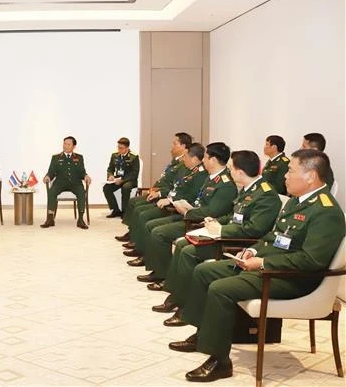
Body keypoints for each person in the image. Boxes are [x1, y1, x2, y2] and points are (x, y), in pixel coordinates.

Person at [173, 149, 344, 382]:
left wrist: (263, 262)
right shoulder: (298, 202)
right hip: (274, 267)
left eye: (291, 170)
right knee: (204, 271)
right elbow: (274, 236)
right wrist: (254, 250)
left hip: (294, 279)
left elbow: (311, 261)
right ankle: (204, 333)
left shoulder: (326, 211)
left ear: (310, 176)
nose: (284, 175)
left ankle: (220, 361)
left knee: (220, 289)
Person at [155, 150, 281, 327]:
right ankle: (177, 297)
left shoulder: (265, 194)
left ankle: (184, 308)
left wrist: (222, 230)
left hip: (239, 244)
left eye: (230, 168)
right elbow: (233, 215)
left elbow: (254, 229)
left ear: (239, 172)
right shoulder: (248, 188)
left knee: (189, 252)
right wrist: (215, 222)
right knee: (184, 244)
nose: (228, 172)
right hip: (228, 235)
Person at [135, 142, 237, 285]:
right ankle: (160, 271)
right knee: (153, 226)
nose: (204, 160)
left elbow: (212, 212)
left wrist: (189, 211)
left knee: (159, 233)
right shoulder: (212, 177)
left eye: (206, 157)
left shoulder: (225, 184)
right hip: (190, 216)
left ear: (213, 160)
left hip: (199, 223)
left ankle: (163, 275)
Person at [124, 143, 207, 266]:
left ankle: (145, 255)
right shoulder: (188, 169)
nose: (184, 159)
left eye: (186, 156)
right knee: (142, 212)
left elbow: (190, 197)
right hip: (173, 204)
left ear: (194, 158)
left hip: (182, 211)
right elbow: (175, 187)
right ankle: (140, 247)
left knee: (146, 218)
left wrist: (169, 199)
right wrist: (160, 193)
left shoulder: (200, 174)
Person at [116, 132, 192, 242]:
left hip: (165, 196)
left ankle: (135, 237)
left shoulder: (184, 164)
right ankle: (132, 232)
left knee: (138, 207)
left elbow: (174, 185)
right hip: (159, 192)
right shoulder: (176, 161)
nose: (172, 146)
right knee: (134, 202)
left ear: (183, 146)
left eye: (175, 144)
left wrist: (160, 192)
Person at [41, 136, 92, 229]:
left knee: (81, 192)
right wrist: (47, 176)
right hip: (60, 183)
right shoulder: (56, 157)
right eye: (64, 143)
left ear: (74, 146)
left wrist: (86, 176)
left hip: (75, 183)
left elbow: (82, 172)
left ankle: (80, 220)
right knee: (51, 192)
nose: (65, 146)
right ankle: (50, 219)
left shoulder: (79, 157)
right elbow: (51, 171)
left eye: (68, 144)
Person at [103, 137, 140, 219]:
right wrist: (110, 176)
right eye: (118, 147)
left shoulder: (134, 157)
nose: (119, 149)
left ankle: (125, 212)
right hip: (117, 179)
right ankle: (116, 210)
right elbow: (110, 169)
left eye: (121, 148)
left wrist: (122, 180)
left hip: (129, 180)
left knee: (125, 187)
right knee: (106, 188)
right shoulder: (114, 155)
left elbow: (134, 173)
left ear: (127, 148)